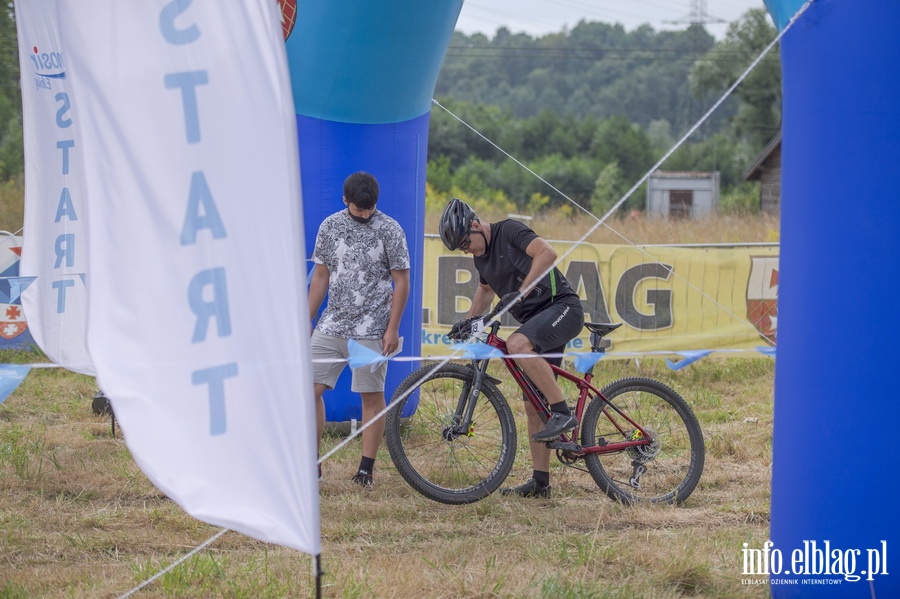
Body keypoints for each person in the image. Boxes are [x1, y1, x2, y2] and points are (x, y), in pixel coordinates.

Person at [439, 198, 584, 498]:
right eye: (461, 248)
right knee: (532, 403)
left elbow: (548, 253)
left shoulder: (509, 231)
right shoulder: (481, 258)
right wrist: (468, 321)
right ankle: (541, 482)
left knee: (517, 343)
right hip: (537, 321)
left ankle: (562, 412)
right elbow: (486, 290)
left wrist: (521, 292)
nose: (467, 250)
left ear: (476, 225)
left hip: (563, 308)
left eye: (466, 242)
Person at [308, 172, 410, 489]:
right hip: (332, 323)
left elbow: (401, 280)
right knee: (307, 391)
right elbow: (321, 275)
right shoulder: (329, 226)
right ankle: (312, 464)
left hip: (372, 328)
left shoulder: (391, 229)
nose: (364, 215)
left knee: (370, 396)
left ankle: (366, 469)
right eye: (358, 210)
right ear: (345, 201)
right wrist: (305, 320)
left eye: (369, 209)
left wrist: (392, 329)